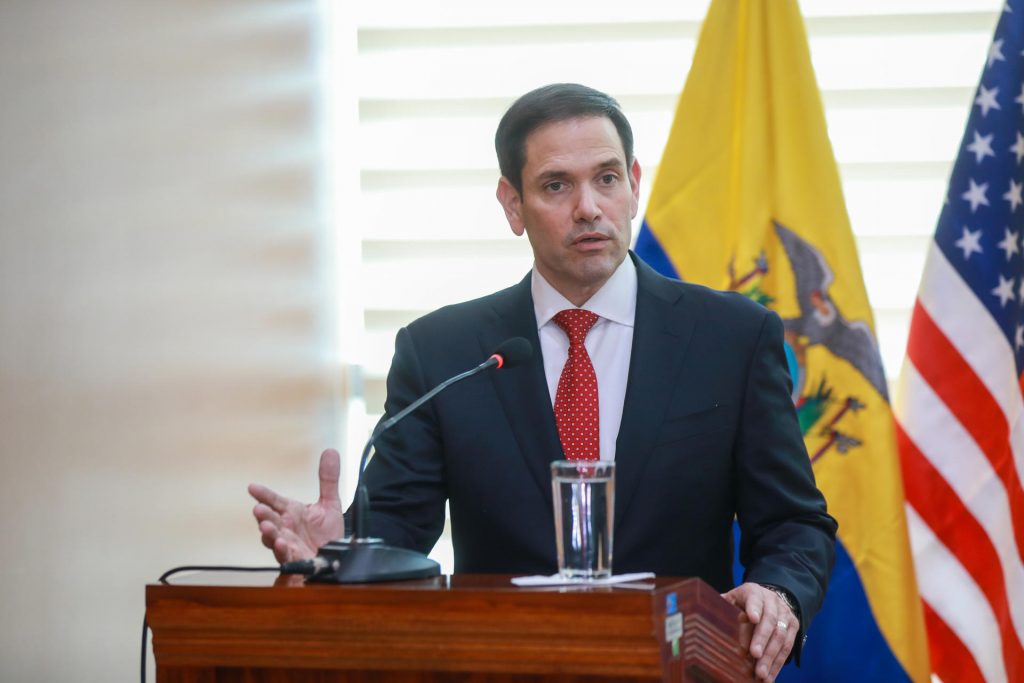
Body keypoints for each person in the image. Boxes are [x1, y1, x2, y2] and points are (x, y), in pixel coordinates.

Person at [249, 83, 837, 683]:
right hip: (501, 669)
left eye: (607, 178)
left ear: (634, 184)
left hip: (680, 666)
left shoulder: (732, 338)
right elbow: (396, 528)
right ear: (513, 204)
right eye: (557, 185)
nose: (589, 208)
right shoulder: (444, 352)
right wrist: (339, 555)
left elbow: (793, 521)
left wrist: (779, 592)